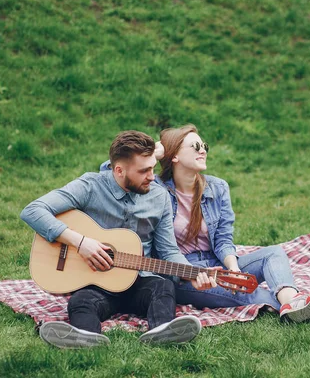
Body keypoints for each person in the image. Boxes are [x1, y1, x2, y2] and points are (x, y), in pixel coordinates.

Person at [102, 125, 310, 322]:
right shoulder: (153, 188)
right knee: (244, 294)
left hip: (214, 262)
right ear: (174, 156)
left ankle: (293, 302)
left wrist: (233, 269)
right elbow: (110, 171)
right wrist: (155, 151)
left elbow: (223, 239)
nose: (203, 150)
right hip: (182, 274)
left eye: (204, 145)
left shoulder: (217, 187)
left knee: (273, 254)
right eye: (195, 146)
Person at [20, 130, 216, 349]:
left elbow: (169, 250)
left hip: (141, 282)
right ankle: (85, 338)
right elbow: (33, 210)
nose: (152, 176)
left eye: (153, 167)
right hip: (96, 283)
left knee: (164, 288)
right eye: (144, 171)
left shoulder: (159, 196)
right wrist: (81, 243)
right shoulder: (90, 186)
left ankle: (163, 333)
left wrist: (192, 273)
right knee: (80, 302)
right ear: (119, 170)